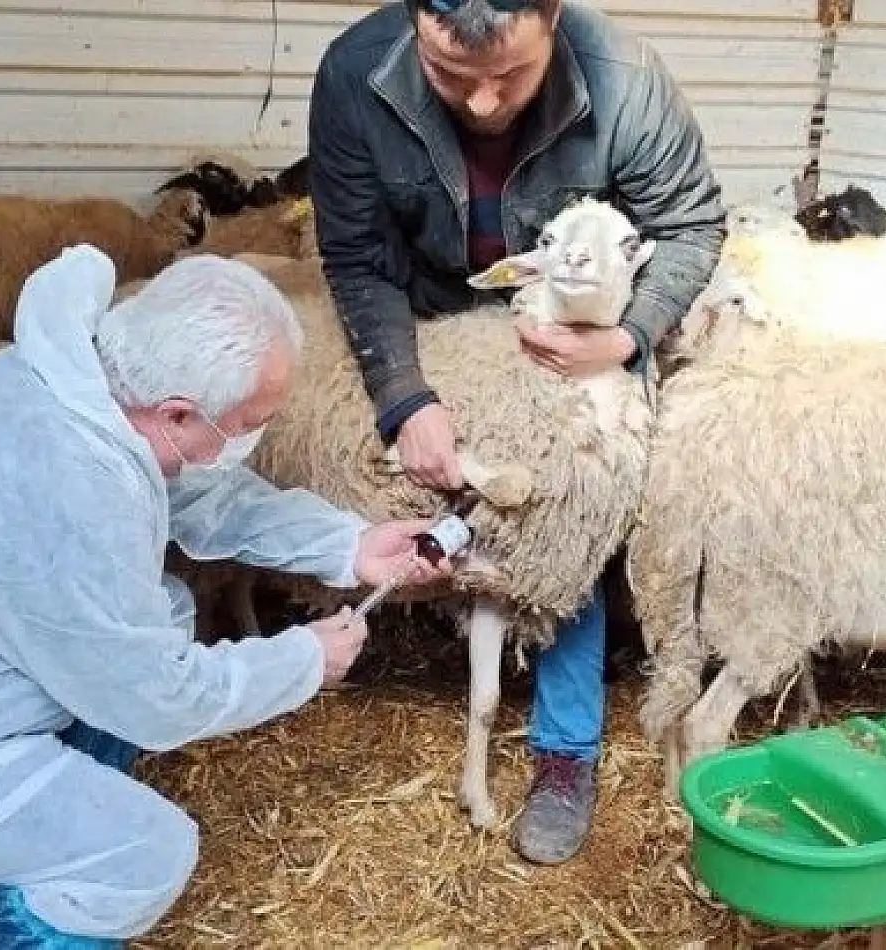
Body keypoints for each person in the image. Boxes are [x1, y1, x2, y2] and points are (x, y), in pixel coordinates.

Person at [0, 245, 456, 949]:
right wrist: (302, 661)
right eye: (244, 427)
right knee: (144, 856)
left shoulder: (79, 382)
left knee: (167, 607)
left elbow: (202, 492)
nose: (249, 440)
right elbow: (155, 697)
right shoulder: (68, 480)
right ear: (178, 412)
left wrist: (349, 545)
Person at [307, 0, 727, 864]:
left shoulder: (627, 82)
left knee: (572, 515)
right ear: (419, 18)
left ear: (554, 14)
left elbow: (690, 224)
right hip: (435, 314)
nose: (487, 103)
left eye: (514, 74)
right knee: (410, 481)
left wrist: (629, 334)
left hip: (575, 325)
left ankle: (565, 751)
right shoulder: (356, 74)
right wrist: (402, 395)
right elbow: (356, 254)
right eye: (452, 76)